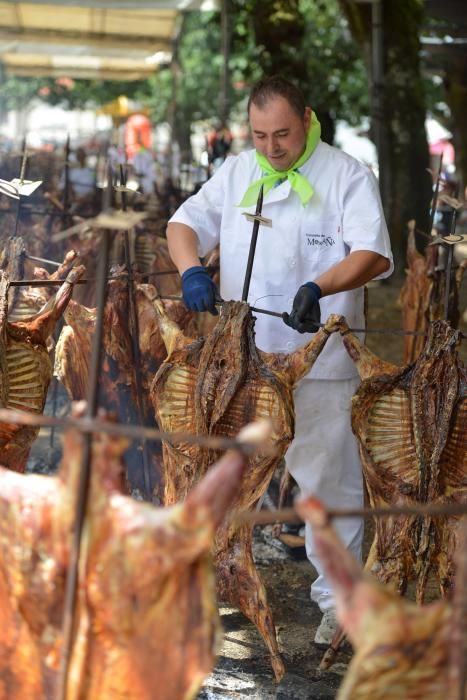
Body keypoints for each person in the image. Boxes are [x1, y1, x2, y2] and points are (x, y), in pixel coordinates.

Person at [166, 76, 393, 646]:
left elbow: (372, 253)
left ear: (308, 119)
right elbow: (183, 223)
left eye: (283, 134)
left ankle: (338, 605)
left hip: (319, 362)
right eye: (260, 134)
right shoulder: (240, 171)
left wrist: (320, 287)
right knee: (221, 476)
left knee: (325, 484)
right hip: (244, 360)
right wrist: (192, 268)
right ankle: (206, 590)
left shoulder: (346, 174)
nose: (271, 147)